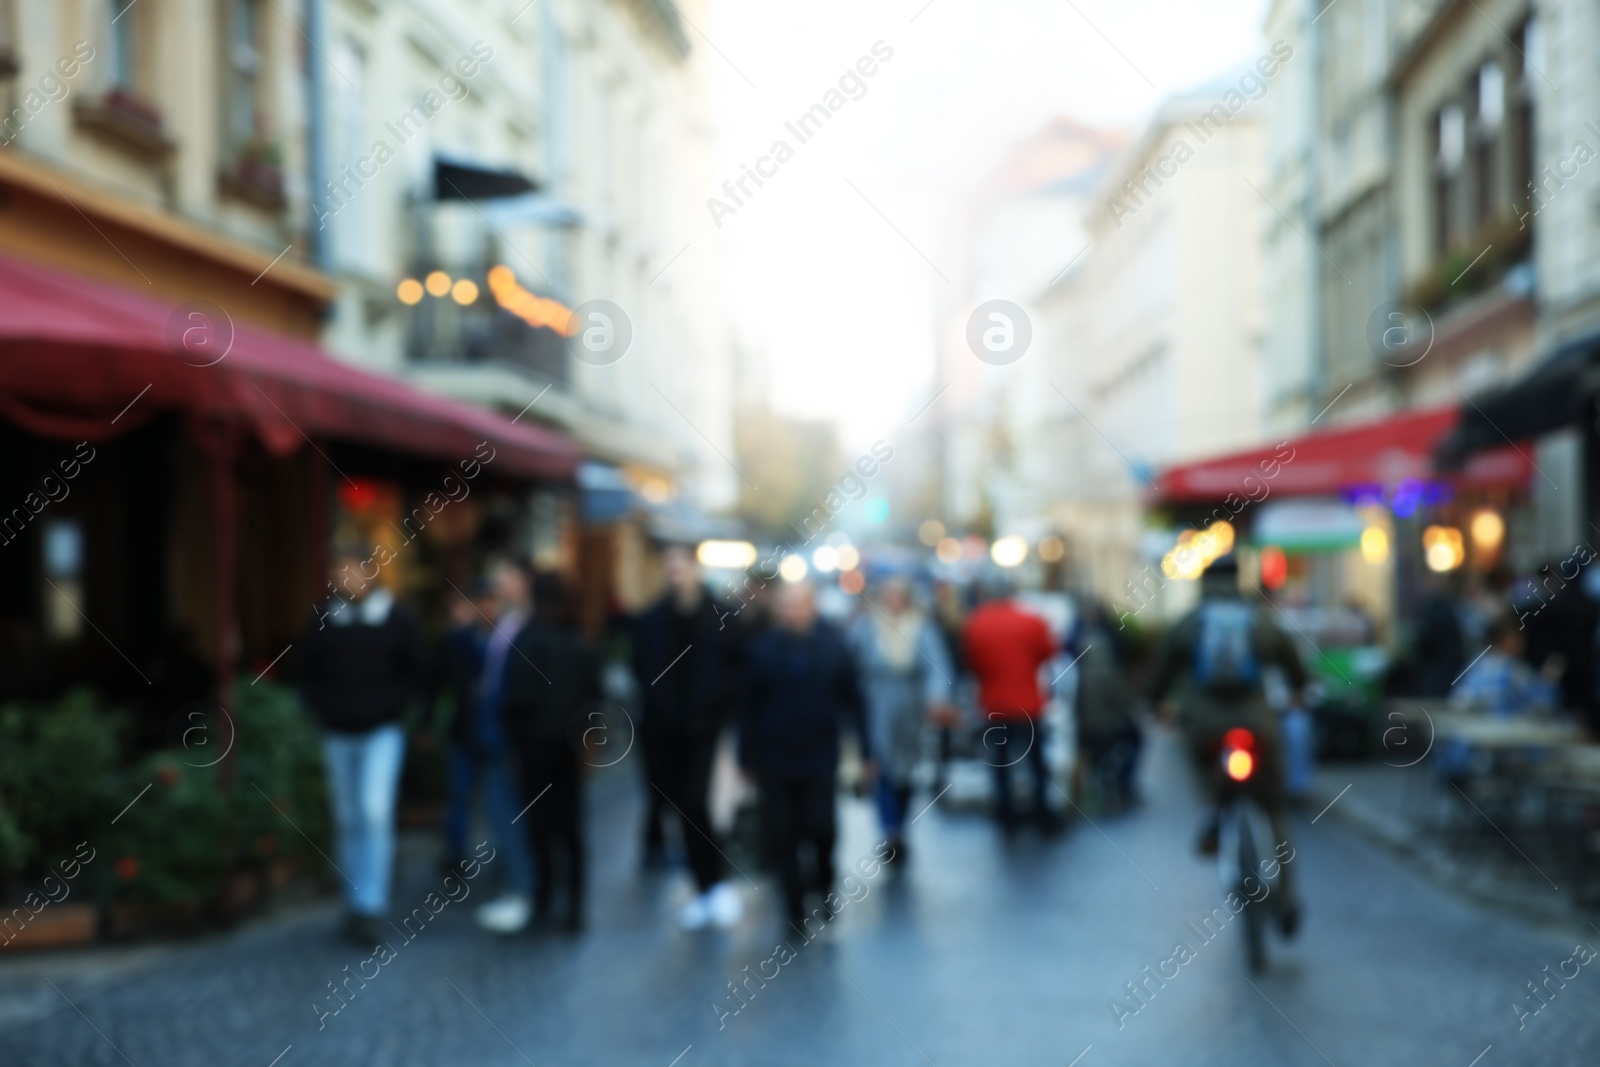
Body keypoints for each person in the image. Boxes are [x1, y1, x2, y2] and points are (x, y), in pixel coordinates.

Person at [1147, 554, 1306, 932]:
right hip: (1257, 723)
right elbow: (1293, 664)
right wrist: (1298, 692)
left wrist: (1157, 705)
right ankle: (1286, 901)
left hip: (1205, 725)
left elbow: (1160, 674)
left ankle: (1213, 816)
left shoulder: (1189, 623)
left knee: (1204, 769)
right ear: (1238, 579)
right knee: (1274, 809)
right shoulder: (1260, 620)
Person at [298, 548, 426, 947]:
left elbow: (417, 673)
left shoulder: (397, 618)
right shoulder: (324, 618)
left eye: (351, 569)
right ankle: (355, 901)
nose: (345, 577)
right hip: (338, 733)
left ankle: (371, 903)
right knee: (348, 818)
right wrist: (325, 711)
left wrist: (394, 710)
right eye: (339, 570)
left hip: (380, 732)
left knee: (373, 812)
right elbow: (305, 672)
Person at [629, 541, 744, 930]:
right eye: (670, 567)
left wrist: (718, 711)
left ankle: (714, 884)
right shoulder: (652, 620)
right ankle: (704, 886)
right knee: (684, 808)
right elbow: (641, 669)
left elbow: (736, 670)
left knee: (699, 804)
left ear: (695, 569)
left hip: (707, 731)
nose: (675, 574)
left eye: (682, 567)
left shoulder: (722, 618)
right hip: (664, 732)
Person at [739, 580, 867, 927]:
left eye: (798, 604)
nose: (791, 611)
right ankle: (794, 908)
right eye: (786, 605)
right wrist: (746, 757)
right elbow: (749, 706)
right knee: (783, 832)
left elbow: (852, 701)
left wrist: (865, 751)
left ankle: (824, 888)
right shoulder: (762, 649)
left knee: (821, 826)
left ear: (812, 607)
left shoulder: (833, 647)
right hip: (774, 756)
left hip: (819, 754)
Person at [502, 569, 602, 933]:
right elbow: (595, 698)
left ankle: (545, 899)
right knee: (570, 830)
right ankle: (575, 906)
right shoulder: (579, 640)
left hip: (534, 751)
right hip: (570, 750)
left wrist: (515, 737)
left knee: (539, 829)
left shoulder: (529, 639)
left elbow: (517, 697)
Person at [848, 576, 953, 861]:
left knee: (905, 768)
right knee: (881, 764)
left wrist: (936, 697)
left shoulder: (921, 627)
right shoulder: (866, 626)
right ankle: (889, 828)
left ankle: (900, 826)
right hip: (877, 702)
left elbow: (937, 666)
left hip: (911, 704)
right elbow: (849, 664)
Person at [465, 561, 541, 934]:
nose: (498, 586)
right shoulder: (502, 624)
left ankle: (522, 892)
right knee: (500, 815)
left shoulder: (528, 626)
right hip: (494, 736)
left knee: (509, 817)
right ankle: (517, 888)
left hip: (509, 739)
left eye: (505, 578)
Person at [962, 579, 1059, 830]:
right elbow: (1049, 652)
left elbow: (973, 663)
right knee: (1036, 761)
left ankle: (1006, 814)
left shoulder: (977, 623)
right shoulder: (1031, 621)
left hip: (995, 703)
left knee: (1000, 762)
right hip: (1028, 703)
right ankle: (1042, 813)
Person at [1068, 597, 1143, 810]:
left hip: (1084, 731)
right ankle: (1122, 785)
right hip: (1104, 730)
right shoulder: (1109, 667)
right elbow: (1125, 706)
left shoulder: (1075, 667)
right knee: (1136, 737)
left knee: (1088, 749)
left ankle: (1090, 789)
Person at [1450, 611, 1562, 716]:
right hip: (1501, 733)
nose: (1522, 641)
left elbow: (1456, 701)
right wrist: (1548, 680)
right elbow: (1545, 704)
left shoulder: (1474, 663)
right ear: (1502, 638)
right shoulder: (1515, 670)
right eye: (1516, 637)